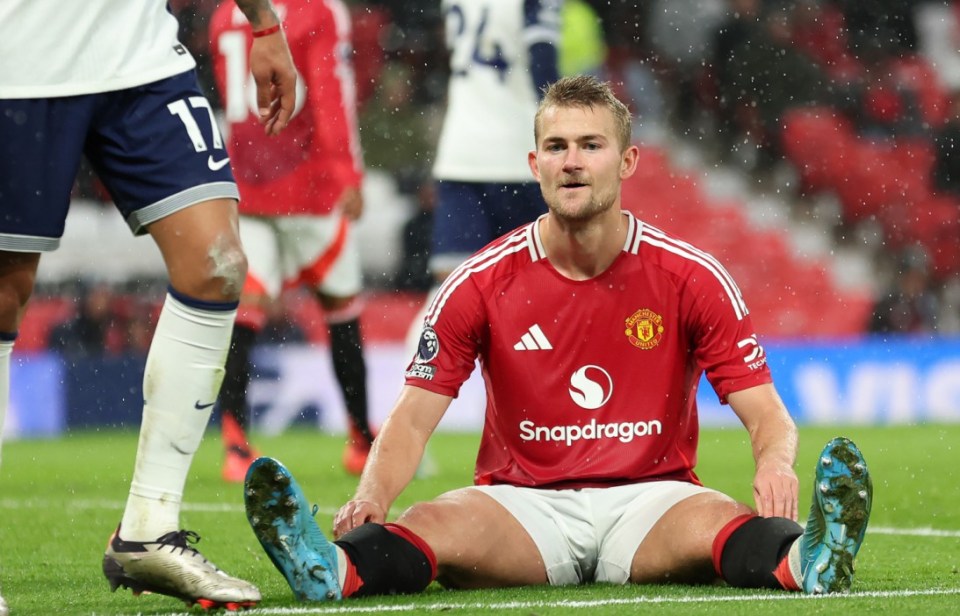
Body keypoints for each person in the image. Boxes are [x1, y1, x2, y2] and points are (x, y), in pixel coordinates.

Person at [242, 76, 874, 602]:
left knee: (724, 521)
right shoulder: (480, 282)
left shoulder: (691, 277)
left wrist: (774, 463)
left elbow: (765, 411)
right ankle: (332, 566)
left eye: (591, 145)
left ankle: (805, 561)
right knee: (429, 523)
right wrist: (370, 496)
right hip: (524, 504)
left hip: (651, 499)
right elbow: (410, 421)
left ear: (626, 161)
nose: (572, 160)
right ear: (534, 164)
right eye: (557, 145)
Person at [0, 0, 296, 610]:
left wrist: (263, 22)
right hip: (17, 64)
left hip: (139, 59)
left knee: (219, 265)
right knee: (5, 291)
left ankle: (148, 529)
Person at [209, 0, 375, 482]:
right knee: (341, 309)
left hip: (249, 182)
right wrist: (348, 172)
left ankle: (236, 445)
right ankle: (361, 441)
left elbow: (227, 99)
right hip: (312, 184)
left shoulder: (226, 13)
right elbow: (330, 94)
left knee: (244, 313)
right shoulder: (319, 11)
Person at [403, 0, 562, 352]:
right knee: (540, 292)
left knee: (448, 290)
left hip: (461, 153)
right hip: (521, 156)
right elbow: (543, 67)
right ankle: (551, 400)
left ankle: (406, 397)